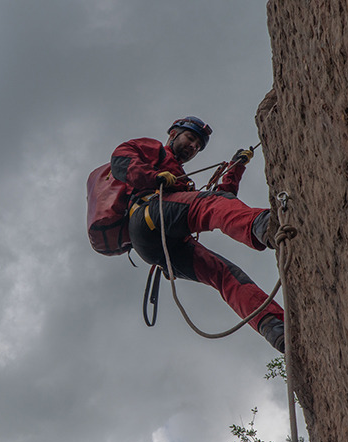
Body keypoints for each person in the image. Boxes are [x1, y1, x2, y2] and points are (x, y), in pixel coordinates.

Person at [111, 116, 285, 352]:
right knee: (211, 204)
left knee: (225, 274)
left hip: (162, 248)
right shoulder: (155, 152)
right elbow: (121, 159)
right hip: (147, 217)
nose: (193, 147)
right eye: (190, 138)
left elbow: (224, 201)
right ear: (173, 134)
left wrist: (236, 167)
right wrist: (154, 178)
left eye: (198, 146)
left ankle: (274, 327)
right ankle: (267, 227)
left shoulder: (180, 181)